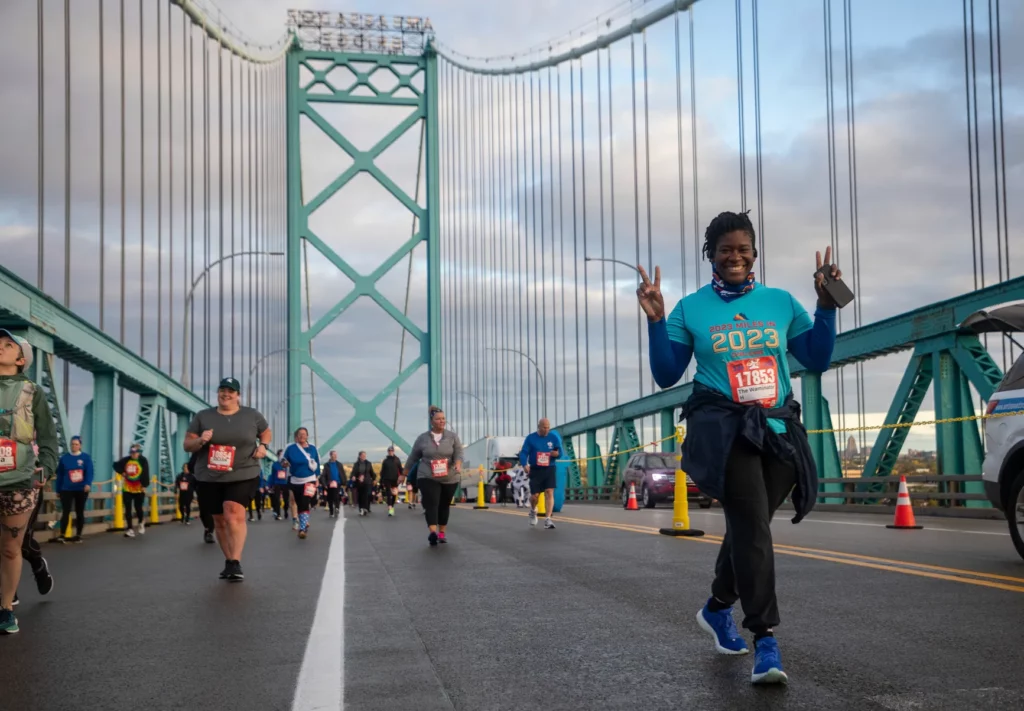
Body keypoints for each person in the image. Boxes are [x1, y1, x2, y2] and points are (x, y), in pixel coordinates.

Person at [637, 210, 839, 685]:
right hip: (725, 427)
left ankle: (716, 607)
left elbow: (816, 358)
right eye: (725, 249)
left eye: (743, 249)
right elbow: (668, 373)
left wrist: (827, 307)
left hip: (776, 426)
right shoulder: (691, 308)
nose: (735, 256)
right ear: (712, 254)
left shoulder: (782, 302)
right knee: (751, 526)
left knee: (752, 526)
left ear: (754, 254)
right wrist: (657, 321)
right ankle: (765, 640)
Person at [183, 377, 272, 581]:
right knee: (220, 520)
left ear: (238, 395)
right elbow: (187, 444)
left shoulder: (252, 415)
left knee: (233, 513)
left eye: (231, 391)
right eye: (223, 390)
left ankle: (235, 562)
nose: (226, 394)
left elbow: (266, 432)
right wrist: (200, 440)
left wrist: (263, 446)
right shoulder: (203, 416)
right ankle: (229, 560)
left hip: (243, 471)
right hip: (209, 475)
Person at [0, 330, 58, 634]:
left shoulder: (31, 392)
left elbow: (48, 436)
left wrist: (46, 467)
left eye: (7, 345)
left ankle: (6, 609)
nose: (0, 348)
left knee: (12, 547)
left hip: (19, 478)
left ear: (21, 359)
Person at [403, 408, 463, 546]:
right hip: (427, 475)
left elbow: (459, 453)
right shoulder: (422, 438)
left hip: (449, 476)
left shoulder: (452, 436)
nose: (441, 421)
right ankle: (433, 532)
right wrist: (403, 474)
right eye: (438, 419)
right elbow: (413, 457)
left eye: (443, 418)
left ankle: (442, 533)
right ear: (431, 422)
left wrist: (458, 464)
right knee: (432, 503)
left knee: (444, 504)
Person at [519, 418, 563, 529]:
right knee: (535, 496)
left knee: (549, 492)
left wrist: (556, 454)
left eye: (548, 427)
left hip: (549, 468)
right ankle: (533, 511)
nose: (546, 430)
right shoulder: (531, 438)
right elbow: (524, 453)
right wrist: (525, 465)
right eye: (544, 427)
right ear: (539, 426)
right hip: (535, 469)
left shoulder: (553, 437)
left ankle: (548, 519)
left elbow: (560, 453)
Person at [282, 427, 320, 539]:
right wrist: (284, 463)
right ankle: (304, 520)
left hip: (310, 479)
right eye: (300, 434)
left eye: (304, 434)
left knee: (304, 501)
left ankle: (303, 528)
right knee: (299, 503)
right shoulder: (290, 448)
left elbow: (317, 462)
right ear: (296, 436)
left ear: (307, 436)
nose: (302, 436)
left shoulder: (313, 449)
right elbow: (282, 459)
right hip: (295, 480)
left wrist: (317, 478)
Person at [55, 434, 94, 543]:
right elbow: (60, 475)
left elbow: (89, 472)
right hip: (66, 489)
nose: (74, 446)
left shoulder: (86, 458)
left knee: (79, 511)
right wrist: (58, 490)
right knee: (66, 511)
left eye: (76, 444)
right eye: (72, 444)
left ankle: (78, 534)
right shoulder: (64, 458)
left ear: (80, 446)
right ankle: (62, 534)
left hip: (81, 489)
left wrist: (87, 484)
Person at [114, 444, 150, 538]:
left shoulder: (142, 460)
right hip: (127, 488)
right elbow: (115, 465)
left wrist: (144, 485)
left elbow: (146, 473)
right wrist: (122, 472)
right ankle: (130, 529)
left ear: (139, 453)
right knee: (128, 509)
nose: (133, 454)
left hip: (139, 489)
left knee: (138, 508)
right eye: (132, 452)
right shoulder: (126, 460)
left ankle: (141, 522)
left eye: (135, 452)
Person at [320, 451, 345, 518]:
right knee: (330, 498)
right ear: (330, 456)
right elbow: (323, 475)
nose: (335, 456)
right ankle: (331, 511)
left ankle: (337, 507)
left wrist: (344, 482)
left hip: (337, 483)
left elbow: (342, 473)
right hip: (329, 483)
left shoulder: (339, 464)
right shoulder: (327, 465)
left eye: (336, 455)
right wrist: (324, 483)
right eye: (334, 455)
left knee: (336, 495)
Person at [379, 446, 402, 517]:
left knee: (394, 494)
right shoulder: (385, 461)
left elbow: (400, 469)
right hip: (387, 479)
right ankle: (390, 508)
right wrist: (381, 480)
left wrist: (402, 477)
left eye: (391, 451)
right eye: (389, 451)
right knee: (389, 494)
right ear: (388, 452)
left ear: (393, 451)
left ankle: (392, 506)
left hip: (395, 479)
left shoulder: (397, 460)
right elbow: (382, 471)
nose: (390, 452)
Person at [350, 451, 374, 516]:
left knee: (366, 495)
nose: (364, 456)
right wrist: (353, 476)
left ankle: (365, 508)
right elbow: (353, 472)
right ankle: (361, 509)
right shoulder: (356, 464)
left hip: (367, 482)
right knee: (360, 496)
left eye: (365, 455)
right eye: (363, 455)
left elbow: (371, 472)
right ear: (360, 456)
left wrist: (374, 479)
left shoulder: (368, 463)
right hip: (359, 482)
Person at [269, 450, 290, 521]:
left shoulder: (287, 464)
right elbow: (272, 475)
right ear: (278, 456)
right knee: (277, 499)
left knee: (286, 500)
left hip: (285, 483)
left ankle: (286, 510)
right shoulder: (275, 464)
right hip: (277, 483)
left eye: (282, 454)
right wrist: (270, 485)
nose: (281, 456)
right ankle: (278, 514)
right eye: (280, 454)